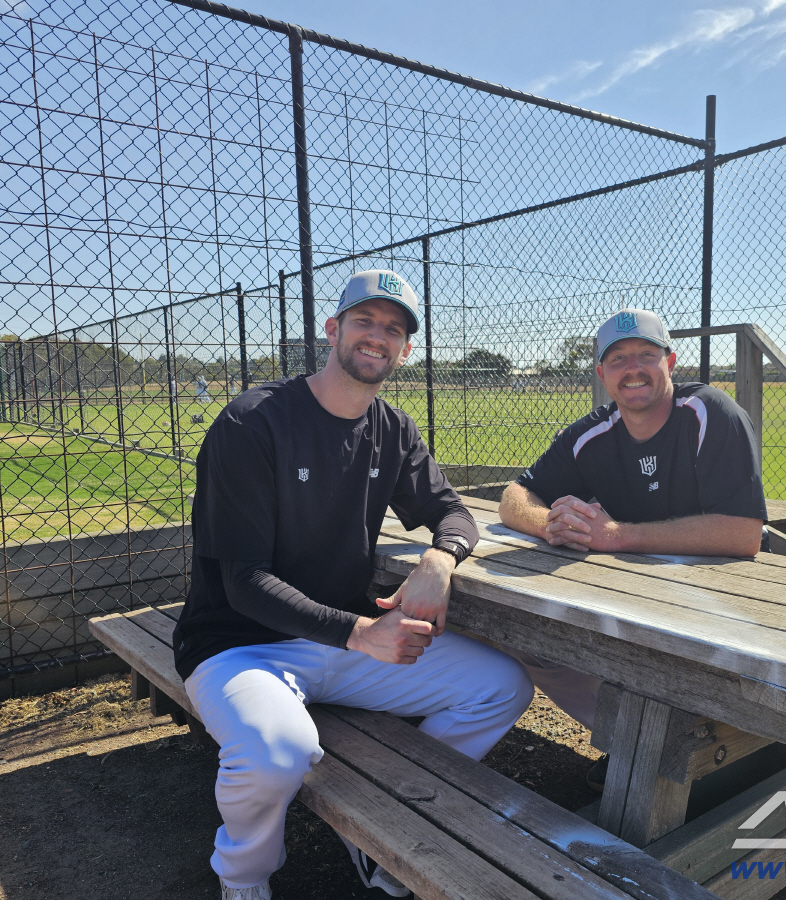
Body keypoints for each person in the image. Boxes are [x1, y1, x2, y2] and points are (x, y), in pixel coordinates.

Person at [173, 270, 533, 900]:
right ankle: (244, 878)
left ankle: (377, 830)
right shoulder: (252, 422)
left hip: (345, 643)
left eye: (394, 329)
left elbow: (455, 513)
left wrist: (439, 561)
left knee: (500, 687)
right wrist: (364, 633)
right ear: (333, 329)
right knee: (276, 753)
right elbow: (245, 583)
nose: (379, 337)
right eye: (365, 321)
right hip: (239, 646)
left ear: (405, 349)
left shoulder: (392, 428)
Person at [498, 308, 767, 786]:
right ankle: (637, 744)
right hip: (639, 599)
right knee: (532, 646)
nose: (633, 367)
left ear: (671, 361)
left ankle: (712, 759)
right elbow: (514, 497)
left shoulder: (710, 412)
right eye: (618, 358)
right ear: (602, 374)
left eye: (647, 354)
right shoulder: (593, 433)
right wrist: (550, 525)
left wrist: (618, 535)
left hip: (728, 604)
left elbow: (743, 533)